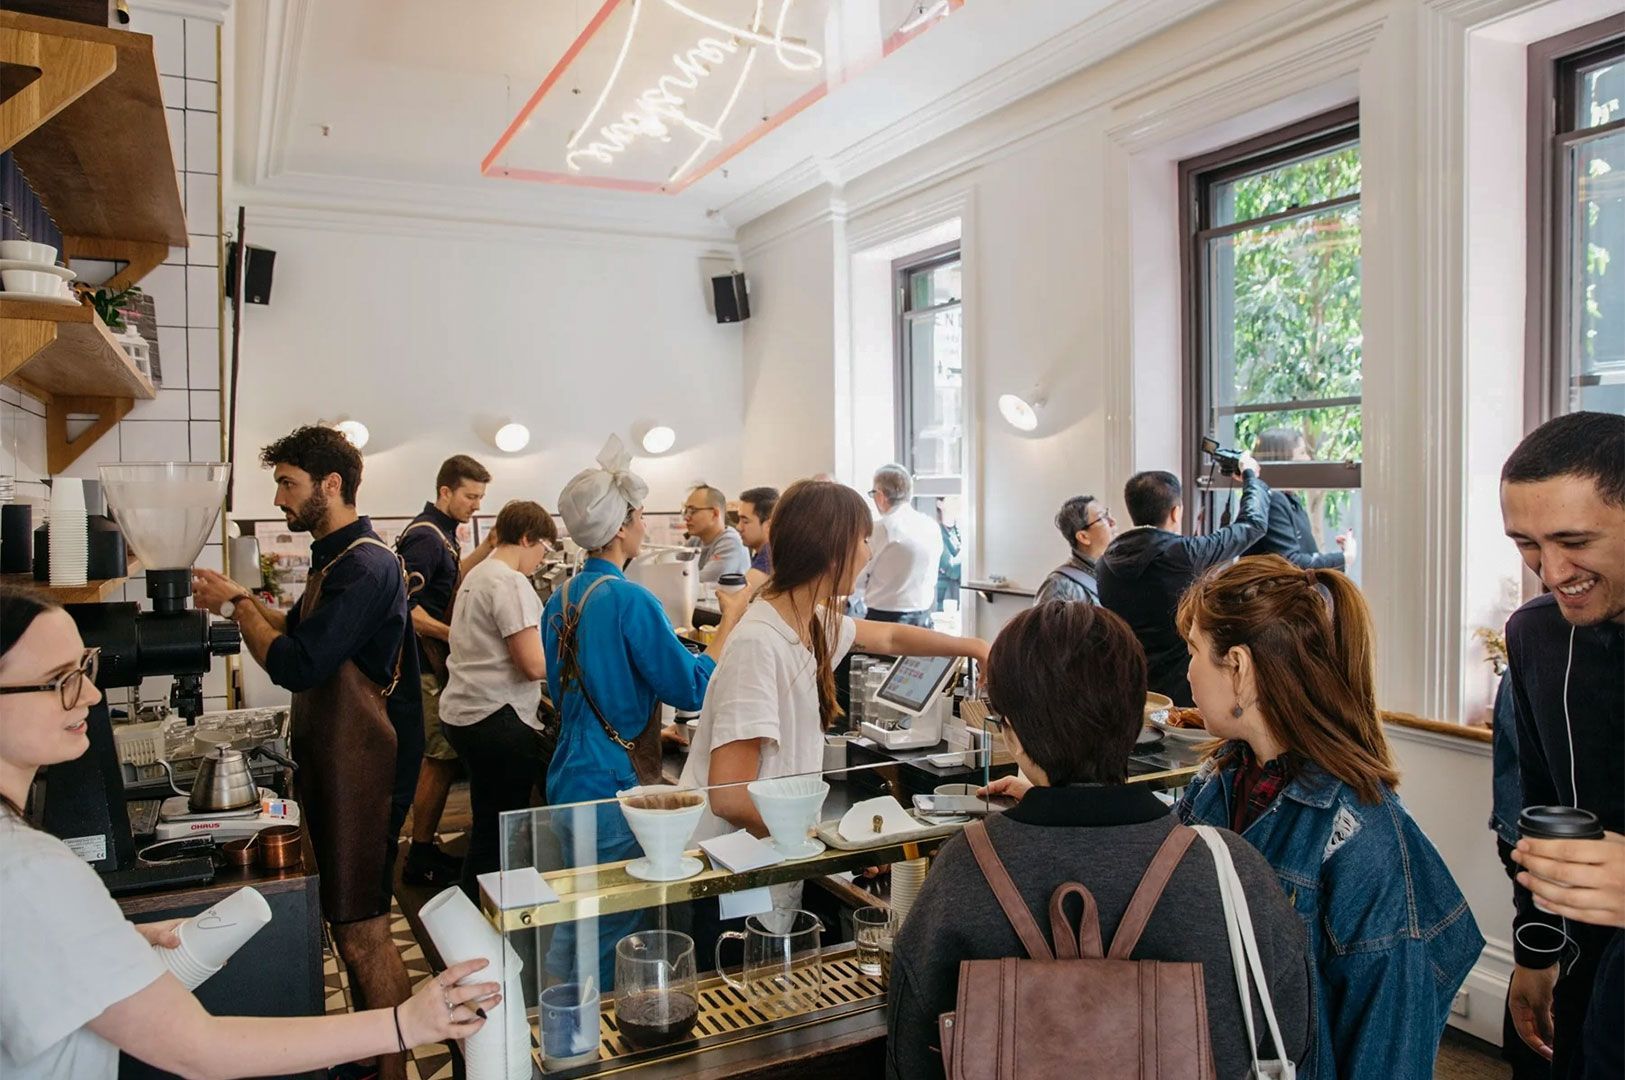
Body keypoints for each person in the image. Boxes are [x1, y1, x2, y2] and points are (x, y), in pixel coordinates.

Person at [0, 585, 500, 1080]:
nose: (89, 694)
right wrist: (406, 1022)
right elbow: (198, 1048)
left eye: (85, 668)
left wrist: (114, 936)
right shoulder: (33, 870)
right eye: (58, 680)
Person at [894, 601, 1312, 1080]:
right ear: (1136, 720)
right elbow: (1293, 1043)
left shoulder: (964, 870)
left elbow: (911, 1055)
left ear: (1012, 734)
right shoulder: (1234, 872)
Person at [1172, 556, 1484, 1077]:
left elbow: (1388, 1058)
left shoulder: (1364, 840)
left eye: (1194, 651)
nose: (1187, 670)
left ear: (1240, 668)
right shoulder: (1219, 782)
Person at [192, 425, 423, 1080]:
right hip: (336, 765)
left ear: (331, 485)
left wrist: (238, 606)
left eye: (288, 484)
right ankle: (369, 1057)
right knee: (345, 920)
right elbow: (291, 632)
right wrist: (241, 600)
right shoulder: (332, 560)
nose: (280, 498)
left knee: (364, 928)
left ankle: (392, 1070)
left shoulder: (367, 564)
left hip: (367, 773)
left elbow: (297, 662)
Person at [681, 480, 990, 870]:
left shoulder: (810, 621)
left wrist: (975, 646)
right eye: (862, 540)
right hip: (732, 869)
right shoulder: (758, 643)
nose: (868, 552)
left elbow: (890, 636)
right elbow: (730, 797)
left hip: (773, 858)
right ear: (833, 550)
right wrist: (822, 841)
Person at [542, 437, 750, 988]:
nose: (643, 524)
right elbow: (690, 687)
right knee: (614, 919)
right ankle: (602, 1050)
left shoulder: (559, 599)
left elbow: (570, 688)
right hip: (614, 782)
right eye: (637, 515)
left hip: (567, 771)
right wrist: (729, 622)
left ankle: (557, 1027)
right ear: (619, 528)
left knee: (575, 912)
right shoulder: (631, 599)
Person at [1497, 410, 1625, 1079]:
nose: (1548, 572)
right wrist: (1534, 950)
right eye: (1524, 544)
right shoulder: (1535, 636)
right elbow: (1538, 802)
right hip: (1587, 973)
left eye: (1573, 541)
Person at [438, 500, 558, 899]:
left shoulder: (477, 574)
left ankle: (474, 908)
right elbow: (532, 665)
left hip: (464, 712)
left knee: (488, 819)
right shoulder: (509, 581)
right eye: (542, 548)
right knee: (500, 828)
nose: (541, 560)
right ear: (526, 538)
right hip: (495, 717)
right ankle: (481, 918)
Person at [396, 453, 496, 888]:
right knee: (438, 758)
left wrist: (489, 548)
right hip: (422, 666)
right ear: (445, 491)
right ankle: (420, 854)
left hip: (432, 664)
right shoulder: (424, 537)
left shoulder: (441, 535)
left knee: (441, 755)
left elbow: (450, 578)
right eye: (470, 496)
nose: (476, 504)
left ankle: (426, 845)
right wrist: (455, 634)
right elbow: (404, 607)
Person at [1097, 462, 1268, 705]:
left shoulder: (1104, 563)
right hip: (1182, 689)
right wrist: (1251, 477)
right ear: (1176, 512)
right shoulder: (1184, 554)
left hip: (1129, 684)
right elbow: (1252, 525)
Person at [1244, 428, 1357, 570]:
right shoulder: (1273, 500)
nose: (1307, 459)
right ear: (1283, 460)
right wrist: (1344, 558)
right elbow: (1291, 563)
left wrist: (1340, 558)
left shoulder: (1288, 500)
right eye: (1302, 452)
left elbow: (1301, 558)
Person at [849, 464, 943, 626]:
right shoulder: (931, 526)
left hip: (884, 619)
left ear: (880, 496)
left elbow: (858, 576)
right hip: (923, 619)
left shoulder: (880, 529)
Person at [1033, 494, 1115, 605]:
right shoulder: (1059, 587)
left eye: (1108, 514)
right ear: (1083, 537)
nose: (1112, 522)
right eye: (1103, 517)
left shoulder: (1114, 572)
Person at [682, 484, 751, 584]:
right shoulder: (695, 541)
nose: (686, 517)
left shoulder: (731, 542)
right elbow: (672, 568)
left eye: (693, 511)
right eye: (686, 511)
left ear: (714, 513)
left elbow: (701, 581)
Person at [737, 485, 777, 582]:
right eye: (739, 520)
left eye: (745, 522)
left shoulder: (769, 556)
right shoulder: (764, 553)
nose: (738, 527)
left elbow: (741, 596)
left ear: (768, 525)